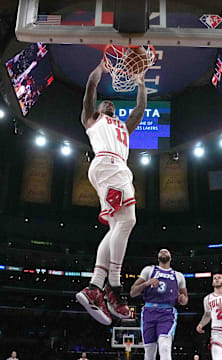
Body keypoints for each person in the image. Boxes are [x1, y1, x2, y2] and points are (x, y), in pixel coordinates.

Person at [76, 57, 147, 325]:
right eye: (106, 103)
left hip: (112, 169)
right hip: (109, 165)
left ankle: (95, 286)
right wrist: (100, 70)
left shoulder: (123, 128)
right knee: (128, 221)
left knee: (117, 226)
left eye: (113, 104)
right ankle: (113, 288)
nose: (109, 104)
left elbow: (139, 110)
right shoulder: (92, 119)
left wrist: (140, 84)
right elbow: (91, 89)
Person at [130, 249, 188, 360]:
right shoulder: (149, 270)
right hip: (148, 312)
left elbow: (185, 299)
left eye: (166, 251)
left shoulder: (178, 276)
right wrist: (147, 283)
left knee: (165, 346)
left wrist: (182, 299)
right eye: (161, 251)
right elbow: (133, 292)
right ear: (158, 257)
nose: (164, 252)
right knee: (149, 352)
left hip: (167, 313)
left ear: (171, 258)